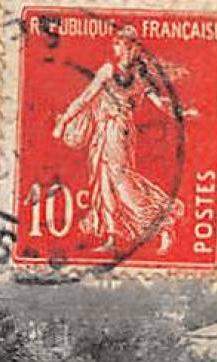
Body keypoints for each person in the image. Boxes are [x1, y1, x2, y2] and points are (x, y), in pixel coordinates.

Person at [52, 25, 192, 255]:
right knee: (103, 180)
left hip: (119, 130)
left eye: (124, 45)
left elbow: (160, 102)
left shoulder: (140, 75)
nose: (120, 49)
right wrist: (64, 121)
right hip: (104, 130)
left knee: (120, 181)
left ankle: (163, 224)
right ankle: (111, 236)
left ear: (133, 49)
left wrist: (181, 114)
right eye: (118, 45)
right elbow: (86, 97)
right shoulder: (108, 70)